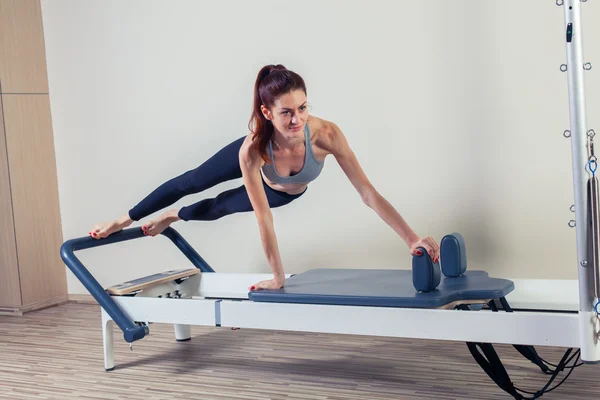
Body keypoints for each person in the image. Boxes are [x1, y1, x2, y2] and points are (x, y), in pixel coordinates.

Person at [89, 64, 440, 291]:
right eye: (286, 112)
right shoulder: (251, 150)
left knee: (218, 208)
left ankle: (170, 216)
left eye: (303, 108)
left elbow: (368, 194)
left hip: (283, 192)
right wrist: (277, 276)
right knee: (192, 182)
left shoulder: (327, 136)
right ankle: (123, 219)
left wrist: (411, 239)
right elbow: (263, 219)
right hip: (260, 170)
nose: (297, 120)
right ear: (266, 112)